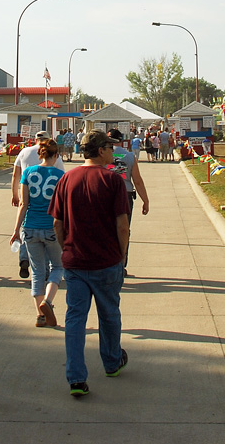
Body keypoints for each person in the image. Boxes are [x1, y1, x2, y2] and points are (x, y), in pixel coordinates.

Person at [50, 130, 130, 397]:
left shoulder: (66, 179)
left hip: (75, 262)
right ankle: (111, 362)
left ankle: (76, 378)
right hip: (106, 261)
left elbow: (57, 223)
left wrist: (67, 249)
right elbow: (123, 226)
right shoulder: (113, 180)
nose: (112, 151)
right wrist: (121, 255)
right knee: (109, 315)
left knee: (75, 318)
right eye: (109, 147)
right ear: (99, 151)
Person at [9, 137, 64, 327]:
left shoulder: (29, 172)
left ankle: (40, 315)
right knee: (57, 267)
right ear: (56, 155)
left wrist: (16, 230)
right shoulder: (60, 176)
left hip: (30, 226)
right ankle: (47, 302)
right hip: (51, 226)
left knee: (37, 272)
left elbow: (23, 203)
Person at [11, 130, 64, 278]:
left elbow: (16, 174)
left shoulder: (25, 154)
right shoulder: (57, 164)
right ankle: (48, 293)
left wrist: (14, 193)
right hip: (50, 217)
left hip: (29, 206)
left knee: (36, 269)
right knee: (54, 263)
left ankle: (23, 259)